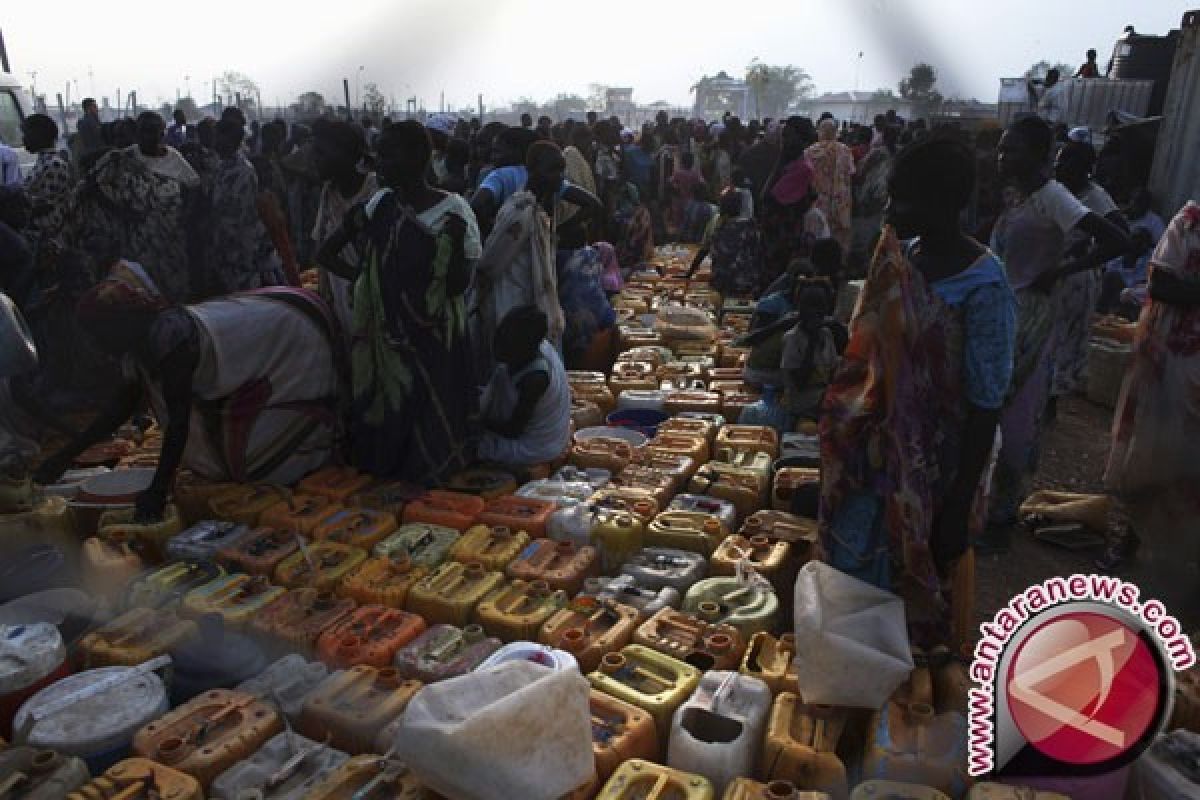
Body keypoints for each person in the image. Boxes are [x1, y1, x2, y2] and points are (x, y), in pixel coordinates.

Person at [820, 137, 1017, 646]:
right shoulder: (898, 260)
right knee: (859, 571)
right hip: (878, 454)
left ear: (941, 204)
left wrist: (955, 508)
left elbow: (986, 402)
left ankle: (904, 704)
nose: (889, 210)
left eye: (900, 199)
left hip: (940, 465)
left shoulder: (984, 285)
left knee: (916, 601)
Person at [33, 259, 341, 520]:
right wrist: (66, 456)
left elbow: (178, 422)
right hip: (269, 332)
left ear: (120, 324)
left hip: (292, 335)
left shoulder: (170, 337)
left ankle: (308, 463)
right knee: (229, 454)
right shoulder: (136, 348)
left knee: (262, 459)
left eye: (100, 335)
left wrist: (157, 490)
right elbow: (119, 410)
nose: (98, 346)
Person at [986, 116, 1128, 541]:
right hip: (1006, 309)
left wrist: (1062, 268)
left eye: (1012, 149)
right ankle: (988, 504)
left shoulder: (1054, 198)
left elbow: (1117, 240)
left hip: (1032, 314)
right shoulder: (1016, 195)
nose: (1003, 156)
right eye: (1002, 148)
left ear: (1038, 154)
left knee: (1014, 413)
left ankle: (1002, 519)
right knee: (990, 406)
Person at [317, 120, 481, 482]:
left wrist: (450, 249)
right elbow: (326, 252)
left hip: (436, 340)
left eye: (389, 154)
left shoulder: (454, 211)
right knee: (390, 415)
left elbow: (458, 285)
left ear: (417, 158)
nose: (379, 162)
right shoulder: (380, 203)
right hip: (388, 340)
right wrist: (363, 281)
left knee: (433, 419)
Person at [1103, 202, 1200, 569]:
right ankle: (1129, 542)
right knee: (1151, 447)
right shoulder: (1190, 223)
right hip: (1172, 357)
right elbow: (1161, 282)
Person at [70, 112, 200, 304]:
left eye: (152, 132)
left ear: (162, 133)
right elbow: (90, 185)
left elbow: (194, 188)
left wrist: (184, 217)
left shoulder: (174, 159)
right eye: (142, 132)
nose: (146, 137)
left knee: (173, 289)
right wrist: (120, 211)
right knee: (141, 288)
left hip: (169, 239)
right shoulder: (124, 158)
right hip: (137, 240)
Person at [472, 141, 575, 378]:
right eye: (552, 170)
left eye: (561, 170)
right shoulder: (519, 210)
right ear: (533, 170)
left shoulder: (540, 211)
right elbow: (490, 263)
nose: (559, 178)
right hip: (514, 304)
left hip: (536, 304)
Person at [1049, 140, 1127, 407]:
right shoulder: (1059, 191)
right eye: (1058, 160)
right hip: (1054, 274)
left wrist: (1076, 263)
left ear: (1084, 169)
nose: (1058, 166)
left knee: (1061, 344)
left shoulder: (1094, 197)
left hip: (1074, 278)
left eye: (1066, 161)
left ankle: (1049, 406)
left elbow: (1121, 236)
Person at [478, 305, 572, 468]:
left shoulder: (535, 379)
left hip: (534, 447)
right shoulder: (533, 348)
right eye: (499, 336)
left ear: (524, 348)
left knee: (468, 445)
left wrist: (476, 421)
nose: (497, 347)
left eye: (505, 344)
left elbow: (513, 430)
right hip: (524, 435)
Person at [311, 120, 376, 342]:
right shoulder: (329, 192)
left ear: (348, 154)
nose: (315, 160)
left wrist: (361, 282)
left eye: (321, 153)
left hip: (372, 304)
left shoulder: (375, 191)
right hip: (341, 303)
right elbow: (320, 246)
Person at [206, 117, 283, 296]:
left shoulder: (243, 171)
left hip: (241, 248)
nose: (216, 141)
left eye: (220, 137)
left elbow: (240, 217)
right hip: (224, 245)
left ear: (233, 140)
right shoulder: (220, 166)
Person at [761, 117, 826, 283]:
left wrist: (780, 159)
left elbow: (768, 197)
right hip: (777, 237)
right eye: (783, 136)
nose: (784, 141)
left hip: (786, 240)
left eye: (788, 136)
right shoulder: (790, 164)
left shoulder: (801, 169)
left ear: (801, 140)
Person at [687, 187, 763, 297]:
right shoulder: (750, 227)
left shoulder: (717, 224)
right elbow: (758, 255)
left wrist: (689, 273)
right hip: (744, 283)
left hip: (722, 284)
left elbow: (704, 250)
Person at [21, 114, 71, 248]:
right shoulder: (45, 161)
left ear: (38, 136)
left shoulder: (54, 164)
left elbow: (41, 204)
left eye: (26, 134)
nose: (23, 139)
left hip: (48, 241)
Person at [806, 118, 855, 253]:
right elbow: (851, 173)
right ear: (835, 133)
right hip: (840, 202)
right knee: (839, 240)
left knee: (819, 235)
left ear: (820, 132)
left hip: (819, 201)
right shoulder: (845, 150)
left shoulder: (810, 151)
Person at [669, 151, 706, 237]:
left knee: (678, 222)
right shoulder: (696, 174)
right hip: (691, 201)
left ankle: (677, 239)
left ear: (682, 162)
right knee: (688, 222)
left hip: (679, 201)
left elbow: (670, 182)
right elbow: (703, 183)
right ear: (692, 162)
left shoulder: (677, 173)